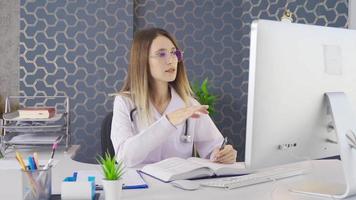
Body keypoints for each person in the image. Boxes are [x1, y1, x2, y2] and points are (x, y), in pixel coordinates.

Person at [111, 28, 237, 167]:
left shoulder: (189, 105)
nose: (171, 60)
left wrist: (223, 154)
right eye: (161, 54)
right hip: (140, 186)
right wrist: (168, 122)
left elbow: (214, 148)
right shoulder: (125, 102)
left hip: (179, 186)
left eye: (173, 53)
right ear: (142, 60)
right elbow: (123, 157)